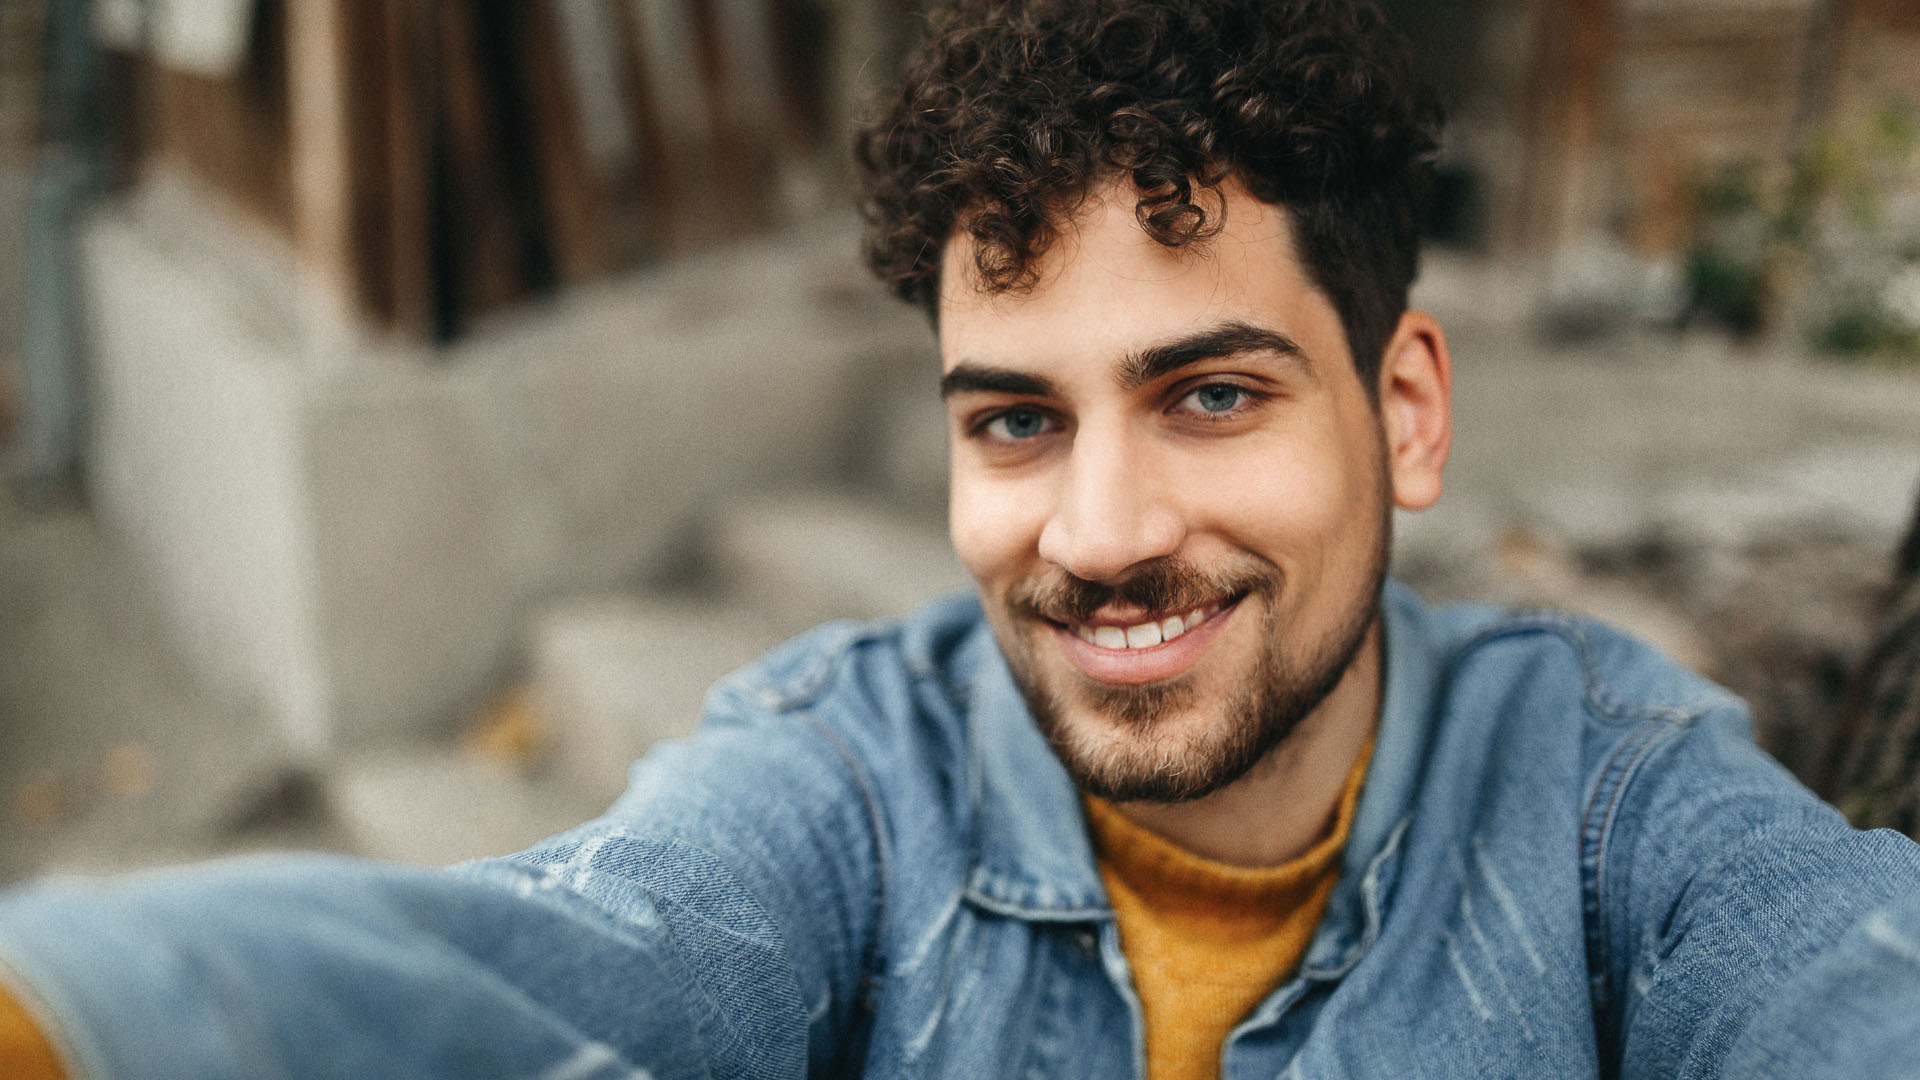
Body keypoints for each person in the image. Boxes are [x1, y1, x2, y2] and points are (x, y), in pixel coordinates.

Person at [5, 0, 1920, 1076]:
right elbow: (557, 975)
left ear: (1404, 408)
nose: (1097, 534)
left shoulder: (1610, 797)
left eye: (1213, 393)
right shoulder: (847, 775)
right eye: (1018, 419)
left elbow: (1835, 982)